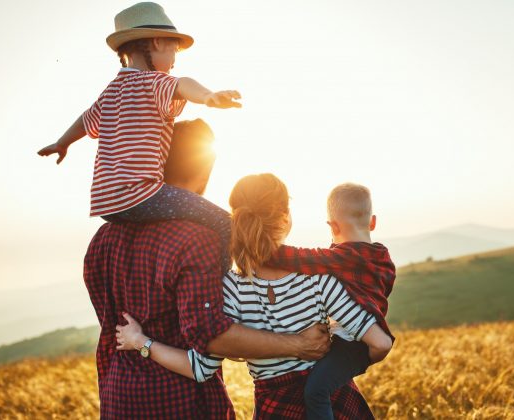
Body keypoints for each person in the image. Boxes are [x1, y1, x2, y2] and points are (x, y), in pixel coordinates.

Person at [84, 120, 331, 419]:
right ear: (205, 167)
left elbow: (111, 321)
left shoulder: (102, 239)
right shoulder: (197, 238)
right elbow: (212, 335)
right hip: (180, 403)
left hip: (118, 398)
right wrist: (299, 345)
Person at [116, 174, 392, 419]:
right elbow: (377, 341)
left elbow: (199, 369)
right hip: (336, 406)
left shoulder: (230, 290)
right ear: (285, 218)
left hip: (275, 410)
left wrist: (140, 341)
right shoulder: (319, 278)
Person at [37, 2, 241, 268]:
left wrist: (61, 143)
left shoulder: (111, 91)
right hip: (140, 195)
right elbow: (183, 84)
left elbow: (84, 120)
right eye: (173, 52)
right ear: (157, 42)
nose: (173, 62)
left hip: (106, 205)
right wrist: (208, 96)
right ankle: (224, 286)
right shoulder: (155, 82)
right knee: (225, 223)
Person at [265, 183, 397, 419]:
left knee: (316, 391)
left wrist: (260, 248)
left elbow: (298, 258)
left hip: (351, 344)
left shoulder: (339, 258)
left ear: (333, 226)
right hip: (358, 342)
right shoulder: (383, 258)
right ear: (373, 222)